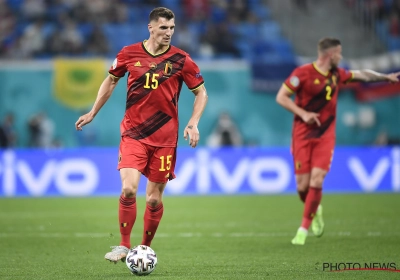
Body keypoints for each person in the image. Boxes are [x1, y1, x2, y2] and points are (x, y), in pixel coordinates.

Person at [75, 7, 208, 262]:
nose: (168, 33)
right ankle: (124, 246)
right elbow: (111, 80)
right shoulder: (128, 53)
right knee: (128, 189)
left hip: (165, 140)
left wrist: (193, 122)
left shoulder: (182, 60)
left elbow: (201, 92)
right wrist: (93, 112)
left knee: (154, 200)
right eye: (163, 28)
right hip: (133, 134)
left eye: (171, 28)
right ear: (150, 28)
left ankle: (144, 248)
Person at [276, 37, 400, 245]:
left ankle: (303, 229)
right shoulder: (302, 73)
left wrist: (384, 77)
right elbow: (281, 97)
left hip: (325, 136)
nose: (341, 57)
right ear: (331, 55)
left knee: (317, 180)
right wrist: (303, 114)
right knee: (302, 187)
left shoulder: (337, 74)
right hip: (302, 135)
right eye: (339, 53)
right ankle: (316, 208)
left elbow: (362, 75)